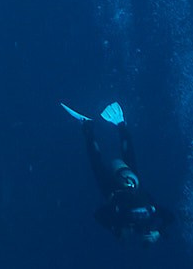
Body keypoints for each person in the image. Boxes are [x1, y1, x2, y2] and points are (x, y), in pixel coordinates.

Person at [61, 102, 175, 244]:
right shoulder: (127, 212)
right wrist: (118, 229)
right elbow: (169, 217)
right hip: (115, 187)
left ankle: (111, 125)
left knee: (125, 162)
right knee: (100, 166)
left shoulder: (142, 211)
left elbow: (99, 215)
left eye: (139, 214)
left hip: (127, 181)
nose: (140, 215)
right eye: (141, 213)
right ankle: (94, 126)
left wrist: (157, 232)